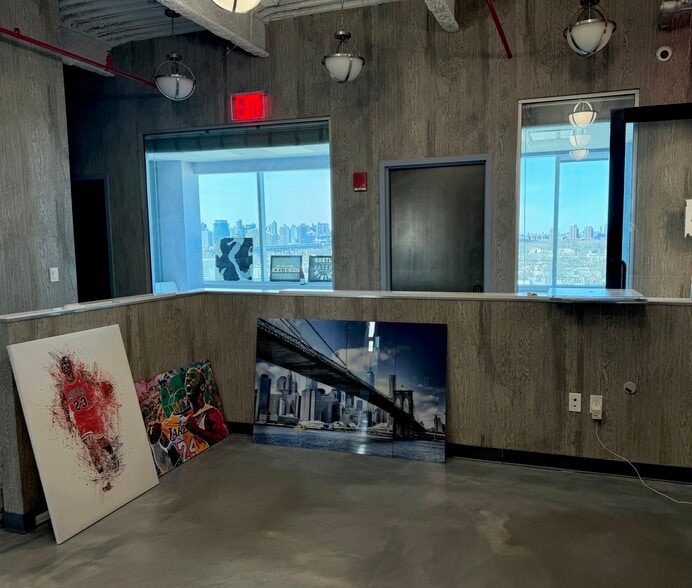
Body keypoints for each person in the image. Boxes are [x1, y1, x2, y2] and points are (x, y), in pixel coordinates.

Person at [53, 354, 120, 486]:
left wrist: (104, 387)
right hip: (80, 418)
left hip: (92, 413)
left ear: (71, 364)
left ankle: (112, 456)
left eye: (67, 363)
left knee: (101, 440)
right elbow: (64, 403)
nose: (65, 366)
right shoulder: (62, 386)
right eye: (62, 365)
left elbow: (95, 384)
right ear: (61, 368)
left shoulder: (82, 375)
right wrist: (68, 419)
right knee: (89, 445)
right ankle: (101, 471)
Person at [181, 367, 228, 445]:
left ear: (202, 387)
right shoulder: (184, 415)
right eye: (187, 377)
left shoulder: (212, 413)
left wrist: (197, 430)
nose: (188, 380)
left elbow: (223, 438)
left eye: (192, 377)